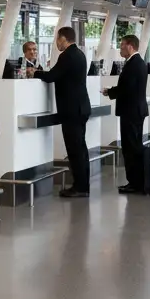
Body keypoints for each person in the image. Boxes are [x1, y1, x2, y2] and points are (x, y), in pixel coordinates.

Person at [36, 26, 92, 198]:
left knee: (75, 149)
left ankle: (79, 187)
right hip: (81, 107)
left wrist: (36, 73)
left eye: (57, 40)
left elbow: (52, 76)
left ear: (63, 38)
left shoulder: (67, 55)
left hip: (71, 110)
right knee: (81, 148)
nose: (56, 43)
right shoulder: (80, 54)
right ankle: (83, 184)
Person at [105, 34, 149, 193]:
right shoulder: (138, 63)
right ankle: (138, 180)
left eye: (122, 45)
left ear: (130, 46)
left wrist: (109, 92)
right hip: (136, 110)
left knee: (131, 147)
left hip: (131, 111)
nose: (120, 49)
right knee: (134, 145)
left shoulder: (133, 64)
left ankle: (135, 182)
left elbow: (127, 88)